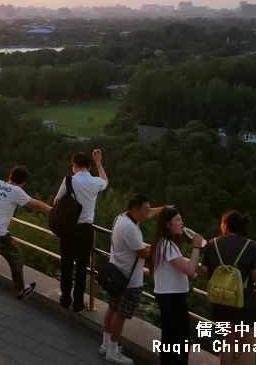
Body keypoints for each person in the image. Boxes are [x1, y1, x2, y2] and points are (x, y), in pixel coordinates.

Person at [0, 165, 51, 314]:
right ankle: (20, 291)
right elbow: (35, 204)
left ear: (10, 175)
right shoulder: (17, 191)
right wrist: (54, 211)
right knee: (16, 259)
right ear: (23, 182)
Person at [102, 194, 162, 365]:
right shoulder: (130, 228)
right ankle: (113, 352)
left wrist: (162, 209)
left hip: (117, 275)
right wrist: (162, 250)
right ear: (135, 209)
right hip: (129, 280)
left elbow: (149, 215)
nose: (148, 212)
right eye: (145, 209)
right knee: (121, 315)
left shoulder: (121, 218)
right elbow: (143, 253)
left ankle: (106, 345)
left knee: (112, 309)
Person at [201, 211, 256, 365]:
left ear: (226, 225)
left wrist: (218, 282)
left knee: (228, 340)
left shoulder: (213, 243)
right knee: (247, 345)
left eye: (222, 223)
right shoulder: (250, 245)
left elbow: (204, 269)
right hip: (244, 300)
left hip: (221, 299)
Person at [55, 150, 108, 312]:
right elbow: (105, 181)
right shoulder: (95, 182)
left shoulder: (69, 180)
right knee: (81, 267)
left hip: (68, 228)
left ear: (74, 165)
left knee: (66, 263)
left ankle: (65, 297)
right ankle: (78, 302)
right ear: (89, 167)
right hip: (86, 229)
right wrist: (99, 162)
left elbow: (56, 201)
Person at [150, 206, 203, 365]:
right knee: (179, 339)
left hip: (167, 295)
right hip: (172, 297)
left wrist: (189, 272)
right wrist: (196, 247)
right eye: (178, 220)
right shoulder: (167, 244)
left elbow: (178, 267)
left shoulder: (162, 242)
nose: (182, 223)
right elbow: (189, 269)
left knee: (170, 336)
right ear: (167, 224)